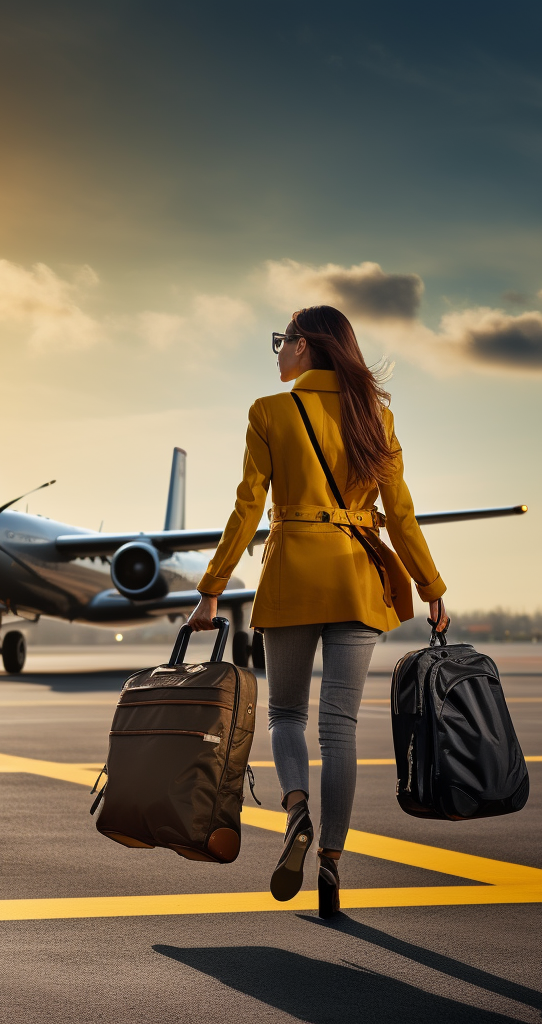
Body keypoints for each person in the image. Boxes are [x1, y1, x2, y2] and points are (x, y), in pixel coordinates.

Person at [187, 305, 448, 918]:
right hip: (356, 580)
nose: (278, 352)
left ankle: (297, 813)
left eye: (282, 341)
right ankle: (331, 864)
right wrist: (431, 584)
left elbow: (247, 507)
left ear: (304, 347)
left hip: (293, 576)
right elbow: (402, 515)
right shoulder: (376, 418)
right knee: (341, 729)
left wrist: (212, 586)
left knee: (284, 715)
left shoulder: (269, 411)